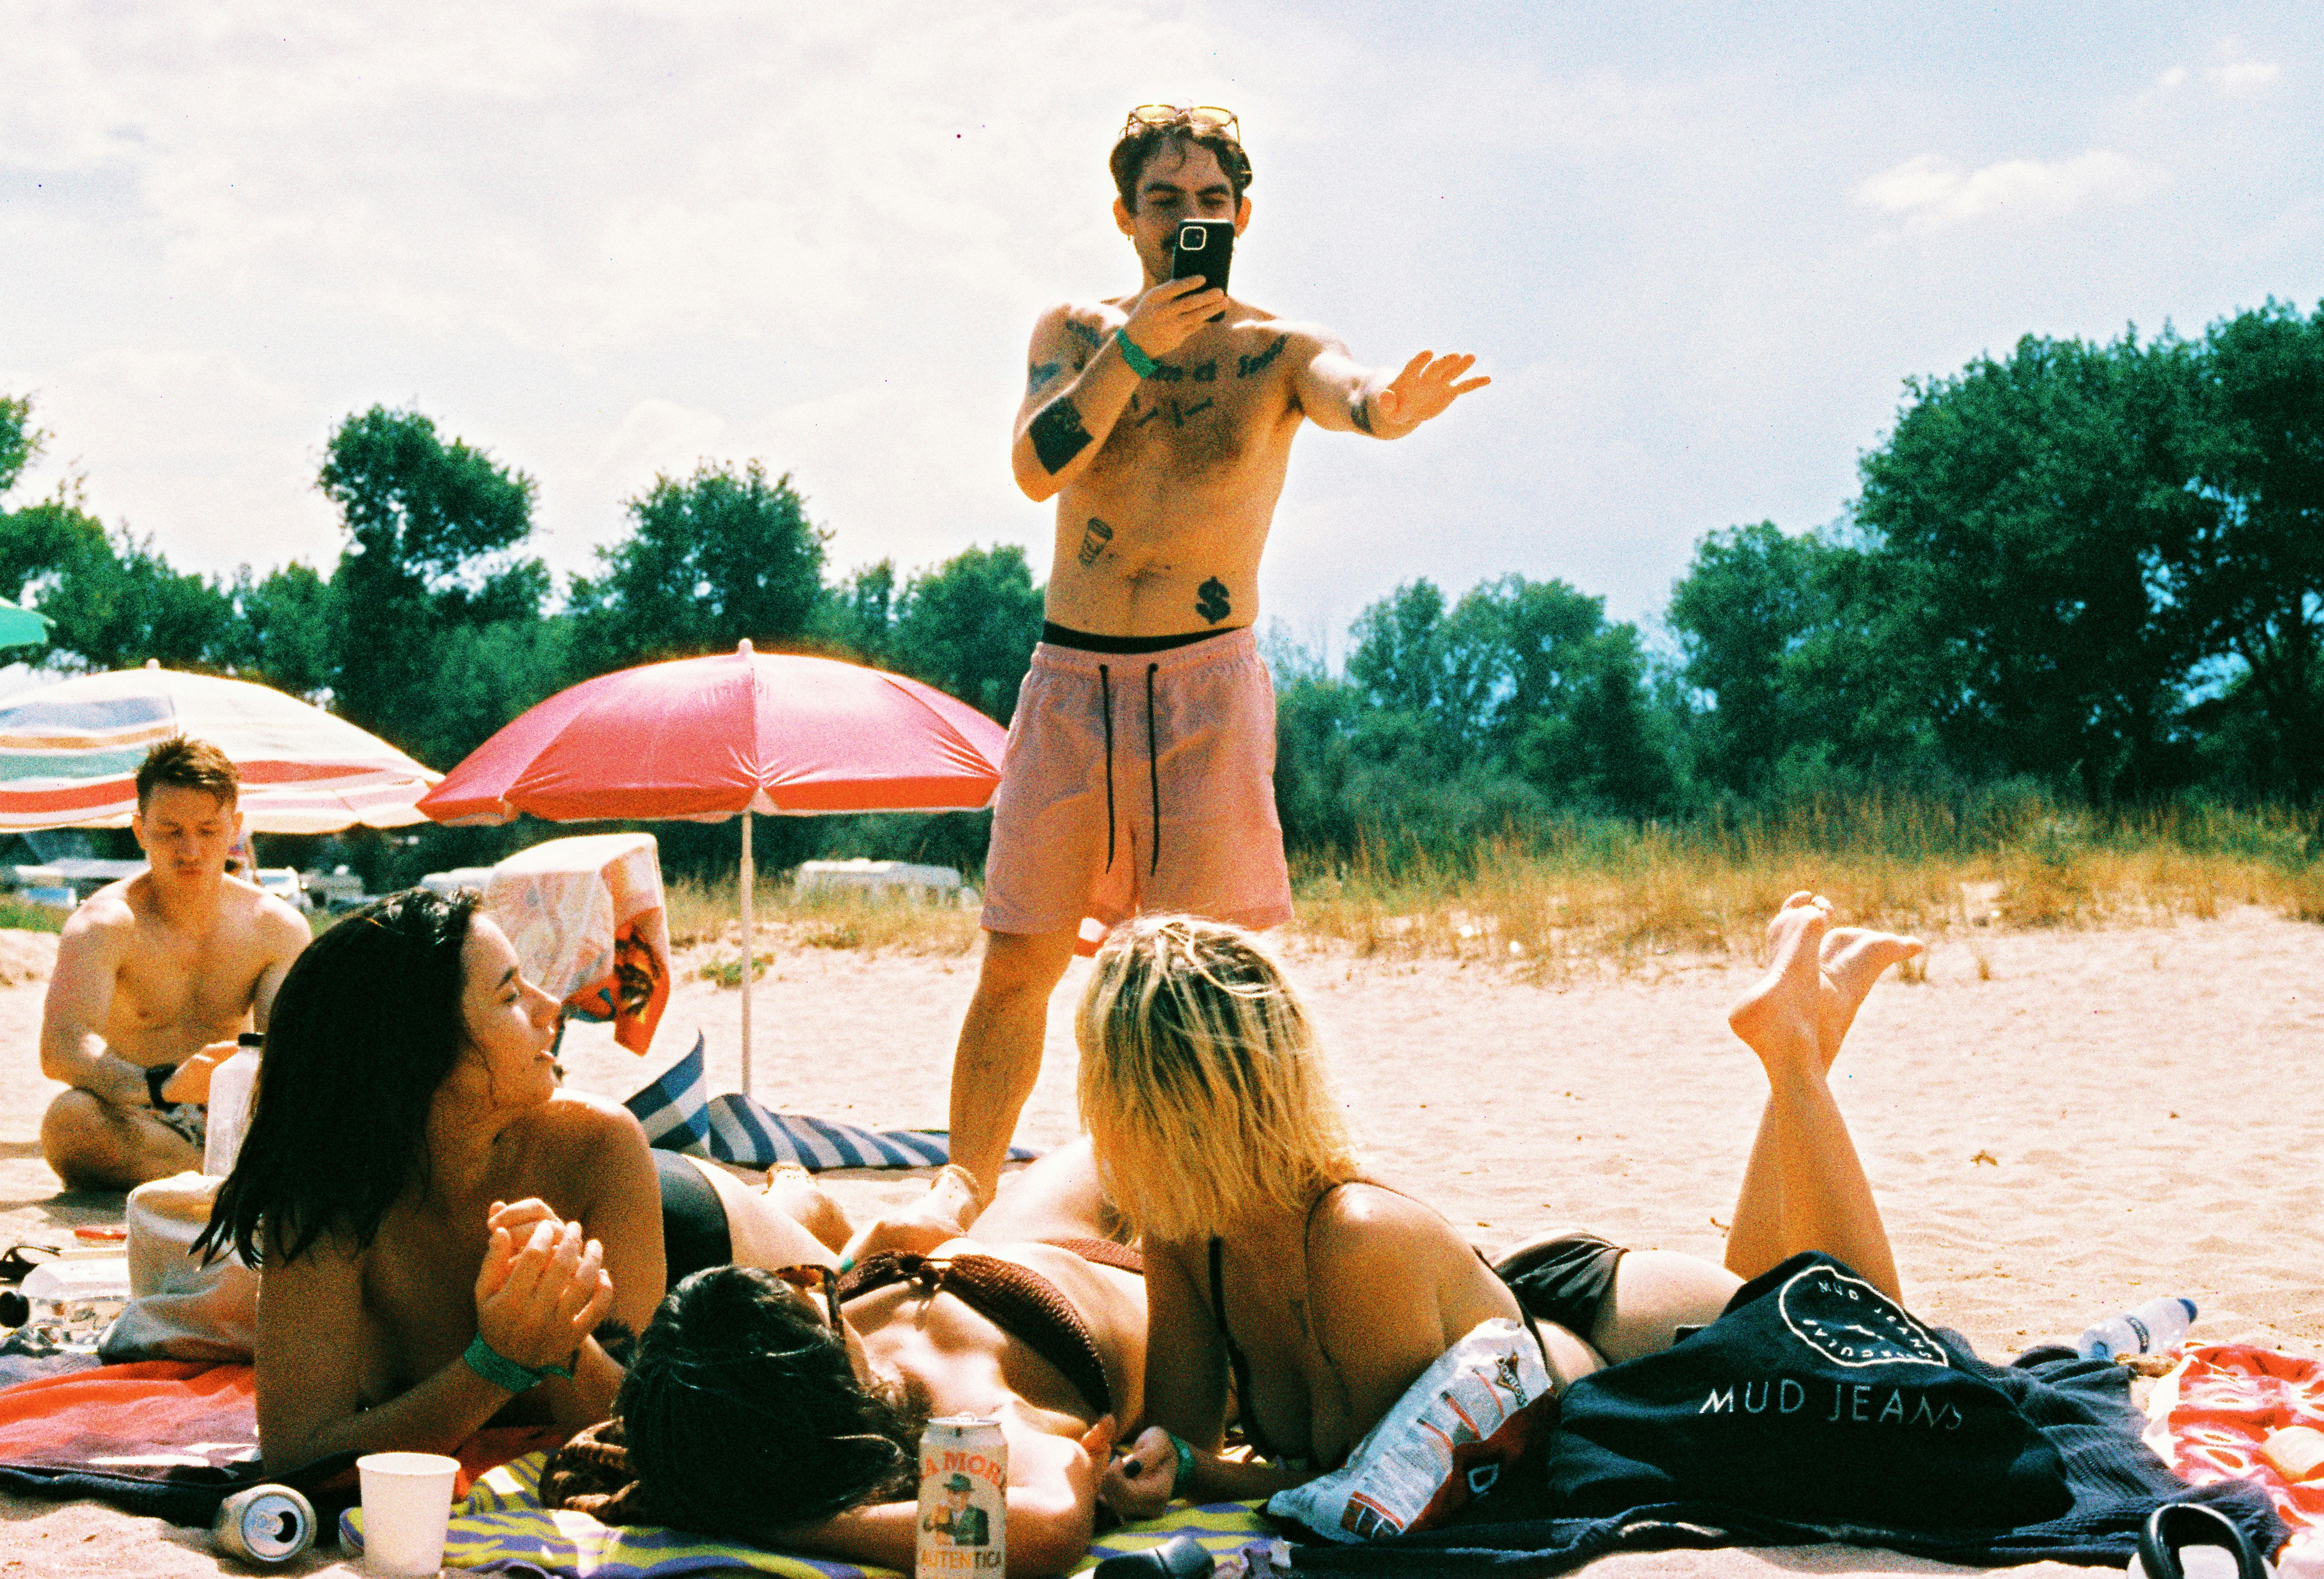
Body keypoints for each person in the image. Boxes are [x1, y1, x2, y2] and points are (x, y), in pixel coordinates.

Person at [943, 103, 1493, 1201]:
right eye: (1162, 201)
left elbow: (1346, 392)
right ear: (1124, 216)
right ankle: (960, 1190)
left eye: (1208, 201)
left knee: (1211, 970)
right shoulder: (1074, 333)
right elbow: (1035, 467)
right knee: (1019, 958)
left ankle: (1231, 1201)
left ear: (1241, 216)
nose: (1185, 220)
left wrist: (1387, 407)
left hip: (1204, 684)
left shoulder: (1277, 349)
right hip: (1073, 678)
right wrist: (1135, 348)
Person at [1082, 895, 1923, 1516]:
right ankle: (1803, 1037)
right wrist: (1152, 1464)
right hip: (1541, 1323)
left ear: (1133, 1099)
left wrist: (1200, 1472)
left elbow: (1379, 1490)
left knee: (1892, 1370)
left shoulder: (1352, 1242)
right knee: (1777, 1309)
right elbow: (1181, 1444)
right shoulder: (1186, 1236)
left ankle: (1796, 1056)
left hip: (1620, 1350)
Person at [199, 888, 664, 1473]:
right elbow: (297, 1457)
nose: (553, 1007)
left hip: (690, 1214)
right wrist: (499, 1364)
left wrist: (566, 1336)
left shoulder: (597, 1146)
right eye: (511, 995)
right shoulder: (327, 1194)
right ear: (418, 1050)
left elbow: (641, 1437)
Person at [556, 1139, 1147, 1578]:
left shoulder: (713, 1402)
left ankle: (931, 1201)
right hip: (1123, 1280)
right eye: (816, 1301)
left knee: (1112, 1132)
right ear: (836, 1378)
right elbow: (1049, 1521)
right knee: (1144, 1122)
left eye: (801, 1282)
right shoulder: (969, 1418)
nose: (816, 1288)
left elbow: (650, 1410)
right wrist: (801, 1524)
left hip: (1002, 1243)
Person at [39, 736, 312, 1190]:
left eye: (207, 831)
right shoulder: (104, 924)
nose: (190, 851)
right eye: (170, 831)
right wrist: (163, 1086)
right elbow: (62, 1049)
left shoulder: (276, 927)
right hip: (141, 1111)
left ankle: (219, 1175)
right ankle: (228, 1179)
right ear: (140, 830)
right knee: (69, 1122)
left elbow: (287, 1050)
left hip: (238, 1114)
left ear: (235, 828)